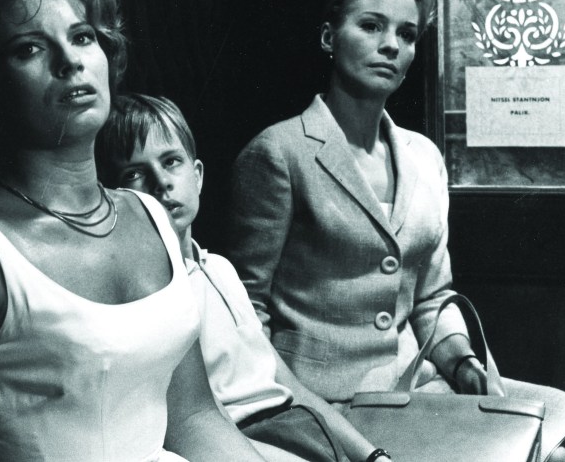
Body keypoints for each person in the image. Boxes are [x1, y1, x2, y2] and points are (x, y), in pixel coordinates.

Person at [226, 0, 565, 462]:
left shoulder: (424, 156)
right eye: (371, 26)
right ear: (328, 38)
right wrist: (297, 410)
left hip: (420, 384)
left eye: (406, 34)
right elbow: (244, 313)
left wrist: (464, 364)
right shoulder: (278, 153)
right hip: (332, 405)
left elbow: (432, 297)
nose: (391, 44)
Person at [0, 0, 265, 462]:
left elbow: (193, 418)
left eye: (82, 37)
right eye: (30, 49)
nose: (69, 61)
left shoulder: (151, 216)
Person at [97, 92, 395, 462]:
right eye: (134, 173)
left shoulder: (220, 269)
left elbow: (287, 384)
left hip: (297, 425)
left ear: (197, 175)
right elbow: (198, 422)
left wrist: (372, 455)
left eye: (171, 161)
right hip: (235, 442)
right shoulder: (152, 293)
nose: (161, 182)